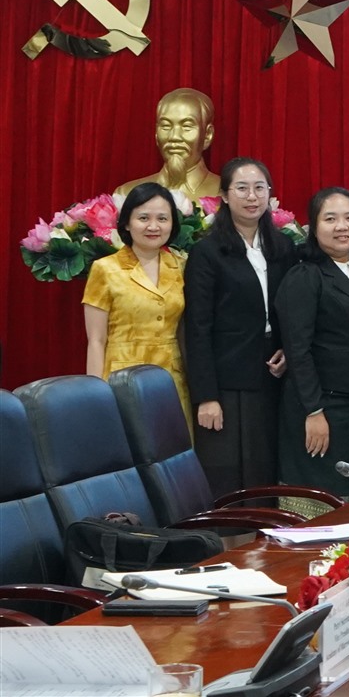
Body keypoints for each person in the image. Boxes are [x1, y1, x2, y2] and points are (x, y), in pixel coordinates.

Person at [184, 157, 291, 493]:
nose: (252, 196)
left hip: (272, 374)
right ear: (225, 196)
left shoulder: (283, 247)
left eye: (260, 188)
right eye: (242, 188)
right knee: (227, 473)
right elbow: (197, 327)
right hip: (226, 380)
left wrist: (287, 349)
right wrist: (206, 396)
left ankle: (265, 526)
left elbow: (291, 311)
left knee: (266, 466)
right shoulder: (207, 252)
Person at [275, 188, 349, 499]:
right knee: (324, 501)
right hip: (324, 409)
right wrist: (314, 411)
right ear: (314, 226)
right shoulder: (305, 276)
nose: (342, 227)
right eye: (330, 219)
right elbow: (298, 350)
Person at [82, 182, 192, 426]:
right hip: (121, 378)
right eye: (143, 218)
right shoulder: (105, 269)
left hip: (172, 379)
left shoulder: (182, 266)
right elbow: (96, 340)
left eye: (162, 218)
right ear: (127, 223)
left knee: (172, 446)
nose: (153, 226)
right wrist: (95, 395)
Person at [116, 88, 222, 202]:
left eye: (186, 127)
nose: (174, 136)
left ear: (207, 135)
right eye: (166, 126)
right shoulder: (126, 194)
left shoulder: (225, 195)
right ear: (156, 134)